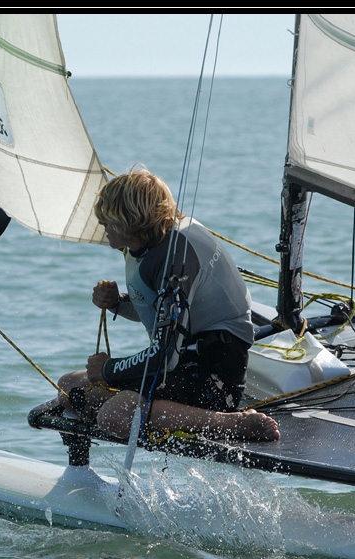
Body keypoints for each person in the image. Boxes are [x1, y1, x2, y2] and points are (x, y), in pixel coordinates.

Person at [56, 169, 279, 442]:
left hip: (215, 369)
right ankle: (150, 408)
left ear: (130, 221)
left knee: (115, 416)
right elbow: (157, 312)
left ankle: (235, 424)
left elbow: (163, 356)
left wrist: (108, 370)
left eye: (108, 217)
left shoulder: (174, 259)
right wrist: (117, 303)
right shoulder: (151, 242)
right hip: (182, 359)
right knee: (69, 386)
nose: (100, 221)